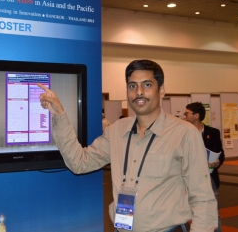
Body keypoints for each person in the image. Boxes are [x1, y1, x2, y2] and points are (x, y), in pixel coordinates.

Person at [38, 59, 217, 232]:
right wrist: (59, 115)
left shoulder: (184, 133)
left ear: (161, 90)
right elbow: (79, 162)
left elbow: (203, 198)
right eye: (132, 86)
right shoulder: (117, 131)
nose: (139, 92)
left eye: (147, 85)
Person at [184, 102, 225, 232]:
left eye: (187, 113)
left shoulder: (212, 132)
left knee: (213, 212)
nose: (184, 116)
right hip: (187, 178)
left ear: (196, 115)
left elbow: (220, 153)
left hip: (209, 177)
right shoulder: (182, 132)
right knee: (185, 212)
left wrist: (218, 162)